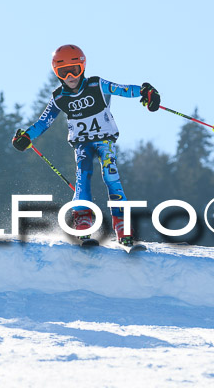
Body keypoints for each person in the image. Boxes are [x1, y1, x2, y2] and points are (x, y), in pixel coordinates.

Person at [12, 44, 160, 247]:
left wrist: (145, 92)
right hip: (82, 144)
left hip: (104, 140)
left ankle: (122, 225)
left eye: (75, 69)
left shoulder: (96, 85)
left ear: (83, 68)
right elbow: (44, 122)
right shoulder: (59, 98)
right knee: (83, 177)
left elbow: (123, 90)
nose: (70, 76)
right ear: (57, 73)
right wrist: (27, 136)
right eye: (64, 72)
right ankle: (82, 220)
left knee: (111, 176)